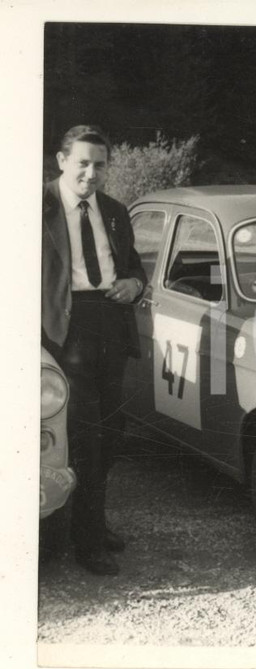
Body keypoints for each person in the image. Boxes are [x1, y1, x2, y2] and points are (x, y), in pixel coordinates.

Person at [42, 125, 146, 575]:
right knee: (84, 437)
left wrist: (134, 283)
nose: (91, 173)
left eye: (100, 164)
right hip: (63, 334)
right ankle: (86, 542)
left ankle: (94, 523)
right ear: (62, 161)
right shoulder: (34, 207)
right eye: (82, 162)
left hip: (110, 326)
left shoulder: (117, 211)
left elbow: (135, 266)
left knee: (112, 431)